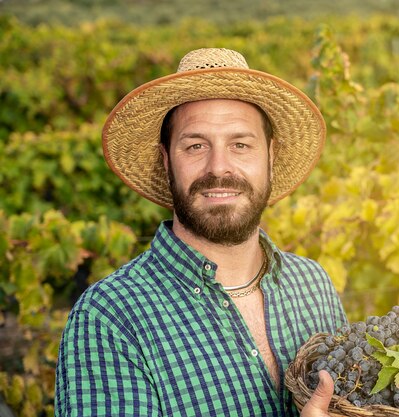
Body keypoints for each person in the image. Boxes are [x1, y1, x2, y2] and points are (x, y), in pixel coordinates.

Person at [55, 48, 347, 416]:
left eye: (240, 145)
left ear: (270, 156)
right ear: (166, 161)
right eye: (195, 146)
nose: (219, 167)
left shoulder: (313, 284)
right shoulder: (111, 317)